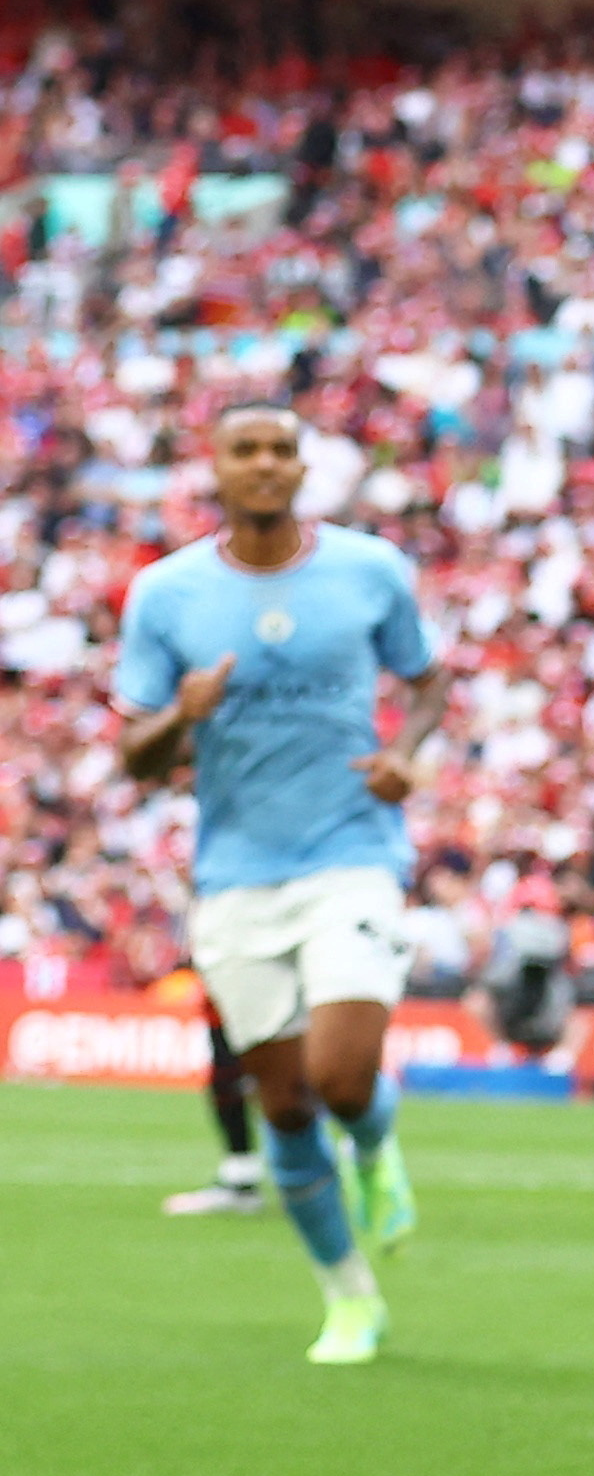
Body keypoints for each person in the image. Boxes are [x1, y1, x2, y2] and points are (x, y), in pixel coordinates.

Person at [112, 405, 448, 1364]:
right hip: (236, 875)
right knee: (287, 1104)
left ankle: (376, 1144)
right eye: (245, 450)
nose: (265, 464)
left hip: (352, 851)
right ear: (213, 470)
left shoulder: (369, 570)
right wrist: (182, 716)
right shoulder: (165, 593)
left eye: (281, 450)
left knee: (341, 1077)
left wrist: (406, 755)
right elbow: (137, 756)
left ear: (303, 468)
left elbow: (426, 681)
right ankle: (349, 1299)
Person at [162, 993, 268, 1217]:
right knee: (228, 1080)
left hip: (246, 986)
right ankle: (242, 1176)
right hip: (229, 991)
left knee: (235, 1080)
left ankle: (244, 1179)